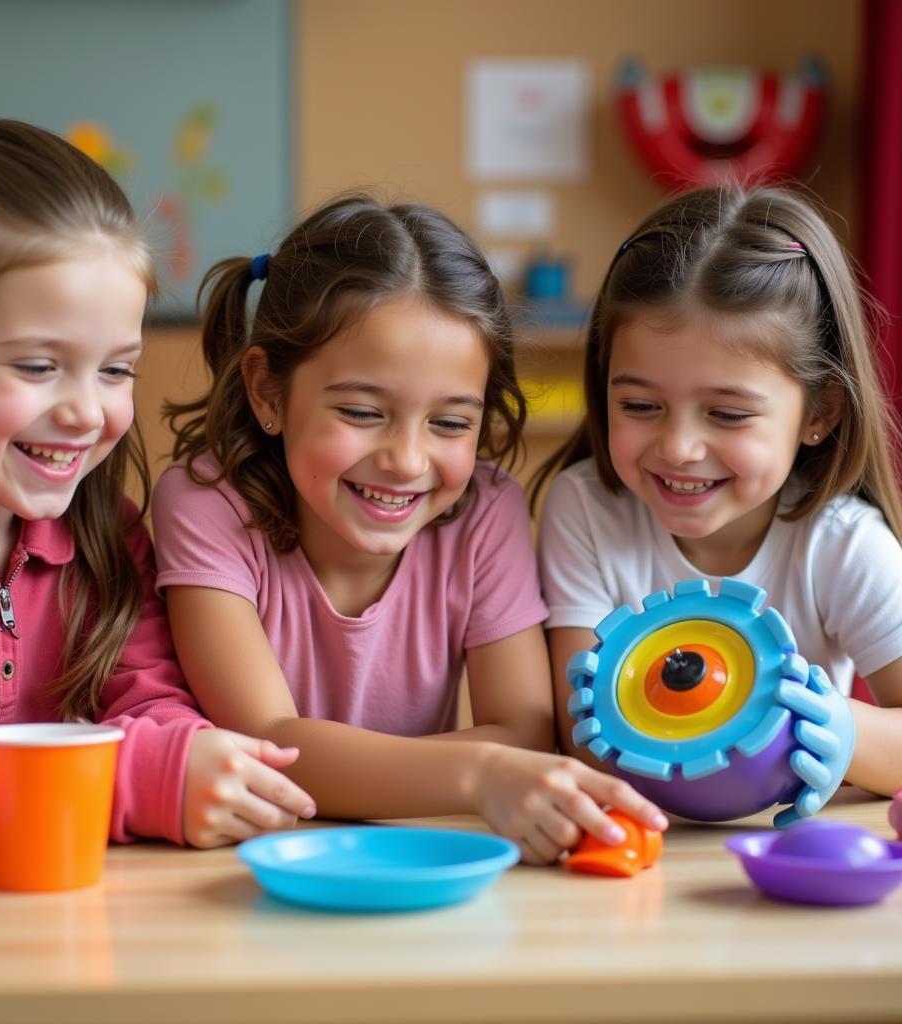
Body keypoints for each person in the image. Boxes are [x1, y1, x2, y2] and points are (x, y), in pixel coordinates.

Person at [151, 194, 668, 865]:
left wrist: (470, 766)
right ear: (268, 391)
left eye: (450, 423)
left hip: (417, 861)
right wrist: (477, 773)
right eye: (364, 412)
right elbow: (265, 743)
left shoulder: (486, 510)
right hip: (238, 868)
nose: (407, 461)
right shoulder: (206, 503)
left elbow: (528, 731)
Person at [0, 120, 315, 848]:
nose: (87, 411)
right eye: (37, 366)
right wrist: (136, 779)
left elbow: (152, 700)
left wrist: (195, 759)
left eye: (116, 370)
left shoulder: (107, 533)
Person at [532, 184, 902, 811]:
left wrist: (842, 731)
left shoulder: (842, 543)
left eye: (727, 414)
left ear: (820, 413)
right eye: (640, 406)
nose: (678, 447)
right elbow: (584, 737)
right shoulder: (585, 509)